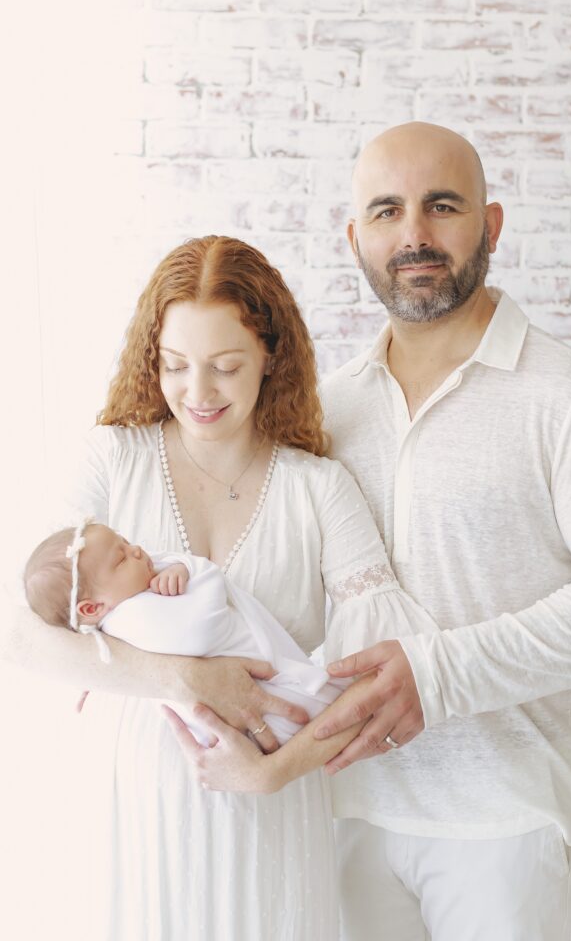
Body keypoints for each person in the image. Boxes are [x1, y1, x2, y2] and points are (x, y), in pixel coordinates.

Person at [177, 124, 571, 941]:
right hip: (341, 809)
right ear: (354, 237)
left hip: (505, 820)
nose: (413, 235)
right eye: (386, 210)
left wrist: (435, 672)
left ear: (491, 225)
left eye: (441, 206)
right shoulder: (324, 409)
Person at [9, 234, 436, 940]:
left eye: (225, 367)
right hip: (129, 812)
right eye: (175, 366)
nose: (197, 394)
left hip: (269, 813)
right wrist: (186, 682)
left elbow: (390, 670)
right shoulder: (113, 459)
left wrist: (277, 771)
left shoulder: (318, 489)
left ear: (270, 357)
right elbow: (18, 636)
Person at [23, 520, 351, 747]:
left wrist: (176, 568)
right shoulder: (133, 615)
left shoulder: (126, 603)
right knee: (328, 708)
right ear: (92, 609)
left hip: (241, 709)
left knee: (332, 712)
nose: (137, 549)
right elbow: (204, 627)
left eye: (125, 541)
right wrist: (196, 571)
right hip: (261, 697)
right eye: (121, 558)